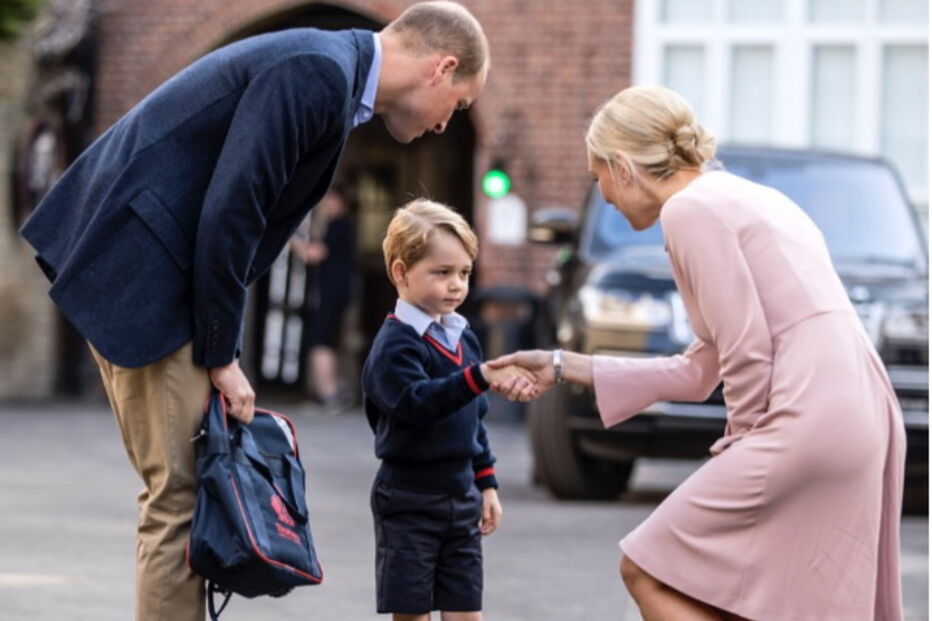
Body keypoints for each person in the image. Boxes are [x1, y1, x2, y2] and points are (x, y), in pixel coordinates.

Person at [18, 3, 489, 620]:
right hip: (153, 287)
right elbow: (232, 212)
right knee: (180, 502)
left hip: (144, 276)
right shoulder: (318, 71)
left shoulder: (329, 69)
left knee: (177, 496)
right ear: (441, 67)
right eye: (457, 105)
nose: (444, 126)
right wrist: (223, 354)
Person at [489, 85, 905, 620]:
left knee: (647, 568)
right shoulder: (746, 196)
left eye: (600, 179)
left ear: (623, 166)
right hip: (860, 410)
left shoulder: (690, 211)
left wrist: (742, 442)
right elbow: (701, 367)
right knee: (755, 598)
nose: (607, 197)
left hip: (804, 418)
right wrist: (562, 365)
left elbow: (745, 349)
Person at [361, 199, 532, 621]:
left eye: (464, 273)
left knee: (466, 612)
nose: (456, 284)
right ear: (401, 272)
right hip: (409, 500)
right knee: (412, 613)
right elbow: (418, 403)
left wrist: (486, 485)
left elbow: (474, 422)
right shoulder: (395, 345)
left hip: (461, 498)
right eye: (442, 273)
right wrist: (478, 378)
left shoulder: (463, 339)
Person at [289, 186, 355, 409]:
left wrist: (288, 238)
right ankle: (332, 390)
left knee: (319, 339)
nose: (324, 204)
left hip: (332, 293)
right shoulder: (338, 225)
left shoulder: (340, 224)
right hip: (335, 293)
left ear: (340, 202)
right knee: (327, 340)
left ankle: (328, 393)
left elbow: (313, 254)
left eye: (329, 200)